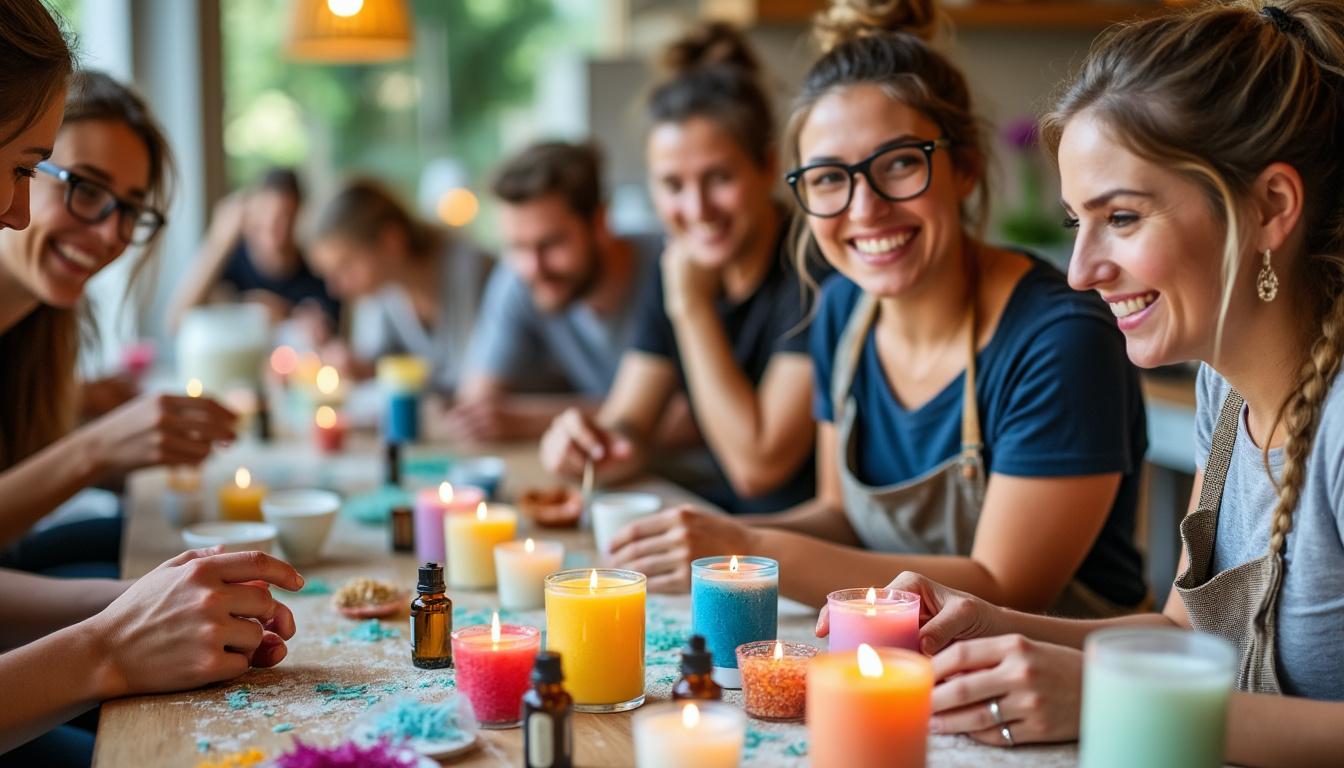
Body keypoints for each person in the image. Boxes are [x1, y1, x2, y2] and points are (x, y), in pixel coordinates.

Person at [842, 2, 1344, 763]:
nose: (1081, 272)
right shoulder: (1226, 388)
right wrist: (992, 622)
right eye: (1080, 222)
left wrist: (1114, 697)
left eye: (1124, 217)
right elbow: (1179, 636)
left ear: (1271, 206)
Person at [607, 0, 1150, 608]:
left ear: (964, 168)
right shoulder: (842, 308)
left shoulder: (1059, 338)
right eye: (830, 178)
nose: (864, 210)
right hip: (902, 667)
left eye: (898, 165)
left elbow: (1007, 589)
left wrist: (759, 548)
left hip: (1058, 687)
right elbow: (841, 516)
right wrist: (718, 543)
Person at [539, 23, 819, 518]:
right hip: (733, 539)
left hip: (810, 557)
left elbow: (757, 466)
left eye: (719, 178)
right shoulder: (680, 264)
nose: (697, 208)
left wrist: (690, 307)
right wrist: (586, 444)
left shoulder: (811, 265)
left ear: (767, 166)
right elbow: (630, 422)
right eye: (672, 184)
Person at [0, 72, 235, 568]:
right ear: (21, 169)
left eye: (130, 210)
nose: (112, 235)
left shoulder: (48, 324)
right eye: (86, 188)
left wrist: (91, 414)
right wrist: (97, 449)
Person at [448, 141, 665, 441]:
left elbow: (684, 419)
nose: (533, 266)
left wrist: (528, 421)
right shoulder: (520, 278)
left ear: (601, 223)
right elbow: (477, 407)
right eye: (517, 246)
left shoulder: (668, 266)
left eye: (550, 244)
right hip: (611, 472)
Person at [307, 178, 490, 393]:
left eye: (346, 266)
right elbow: (380, 363)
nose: (335, 288)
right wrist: (360, 367)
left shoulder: (471, 272)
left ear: (391, 241)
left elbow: (470, 386)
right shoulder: (385, 291)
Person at [170, 166, 339, 331]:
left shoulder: (317, 268)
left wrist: (286, 315)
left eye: (286, 219)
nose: (276, 235)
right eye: (266, 219)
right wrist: (219, 241)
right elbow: (176, 321)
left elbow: (333, 328)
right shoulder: (231, 259)